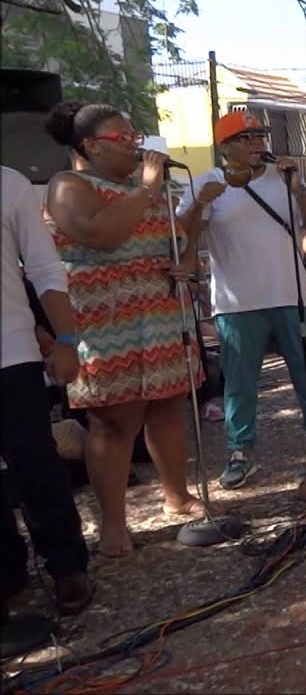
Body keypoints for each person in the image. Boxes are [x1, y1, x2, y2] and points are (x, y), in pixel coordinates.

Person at [42, 102, 208, 556]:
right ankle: (114, 525)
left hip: (162, 315)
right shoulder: (68, 186)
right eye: (123, 138)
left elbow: (180, 239)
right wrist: (148, 189)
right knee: (115, 421)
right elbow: (102, 234)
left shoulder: (143, 188)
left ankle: (177, 495)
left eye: (136, 136)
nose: (136, 146)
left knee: (167, 408)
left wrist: (185, 262)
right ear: (91, 146)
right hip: (106, 320)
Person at [180, 112, 306, 491]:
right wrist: (198, 204)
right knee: (239, 381)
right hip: (237, 302)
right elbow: (185, 235)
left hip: (291, 294)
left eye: (260, 136)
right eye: (245, 138)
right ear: (225, 146)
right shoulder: (207, 182)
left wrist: (299, 189)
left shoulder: (284, 178)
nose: (257, 143)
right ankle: (240, 452)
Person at [2, 167, 94, 654]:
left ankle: (67, 566)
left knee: (35, 463)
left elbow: (43, 267)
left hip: (10, 352)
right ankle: (7, 572)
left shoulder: (9, 185)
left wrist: (65, 340)